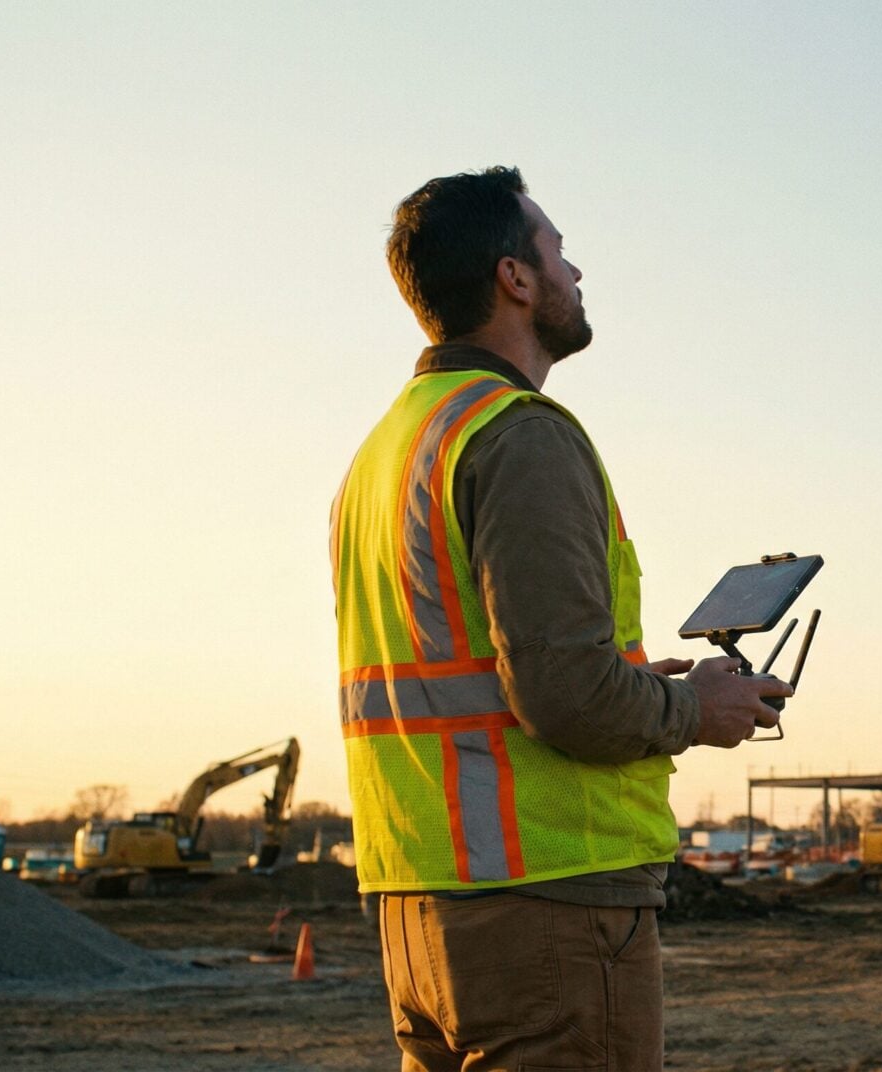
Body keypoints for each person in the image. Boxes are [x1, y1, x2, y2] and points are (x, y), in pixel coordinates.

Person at [331, 166, 789, 1071]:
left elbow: (479, 671)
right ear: (516, 278)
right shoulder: (517, 431)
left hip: (418, 903)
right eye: (561, 253)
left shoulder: (390, 448)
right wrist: (701, 711)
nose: (577, 275)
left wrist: (640, 686)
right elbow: (563, 694)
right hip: (545, 906)